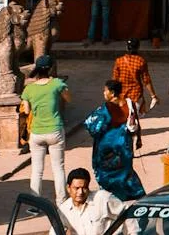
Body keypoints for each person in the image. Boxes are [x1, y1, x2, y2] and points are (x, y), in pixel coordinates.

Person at [19, 55, 71, 201]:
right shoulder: (57, 84)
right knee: (58, 168)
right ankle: (61, 201)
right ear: (50, 68)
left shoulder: (29, 89)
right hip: (55, 130)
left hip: (36, 132)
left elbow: (27, 110)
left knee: (36, 170)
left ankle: (35, 204)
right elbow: (68, 98)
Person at [92, 81, 145, 201]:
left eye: (105, 90)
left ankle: (112, 199)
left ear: (112, 93)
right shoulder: (130, 103)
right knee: (125, 171)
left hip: (110, 148)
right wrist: (138, 138)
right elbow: (135, 120)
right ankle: (131, 195)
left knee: (109, 174)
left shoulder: (106, 109)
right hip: (125, 146)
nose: (104, 93)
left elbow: (94, 128)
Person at [111, 40, 158, 143]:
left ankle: (125, 143)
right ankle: (130, 144)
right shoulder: (141, 61)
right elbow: (146, 81)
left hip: (122, 97)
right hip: (135, 96)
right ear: (138, 47)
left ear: (127, 47)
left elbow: (114, 80)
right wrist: (153, 96)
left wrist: (112, 97)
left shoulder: (119, 61)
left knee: (124, 120)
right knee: (131, 121)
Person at [58, 168, 125, 235]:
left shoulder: (102, 198)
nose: (80, 192)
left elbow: (127, 213)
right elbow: (55, 231)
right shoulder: (64, 209)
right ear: (68, 188)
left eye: (84, 188)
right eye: (76, 188)